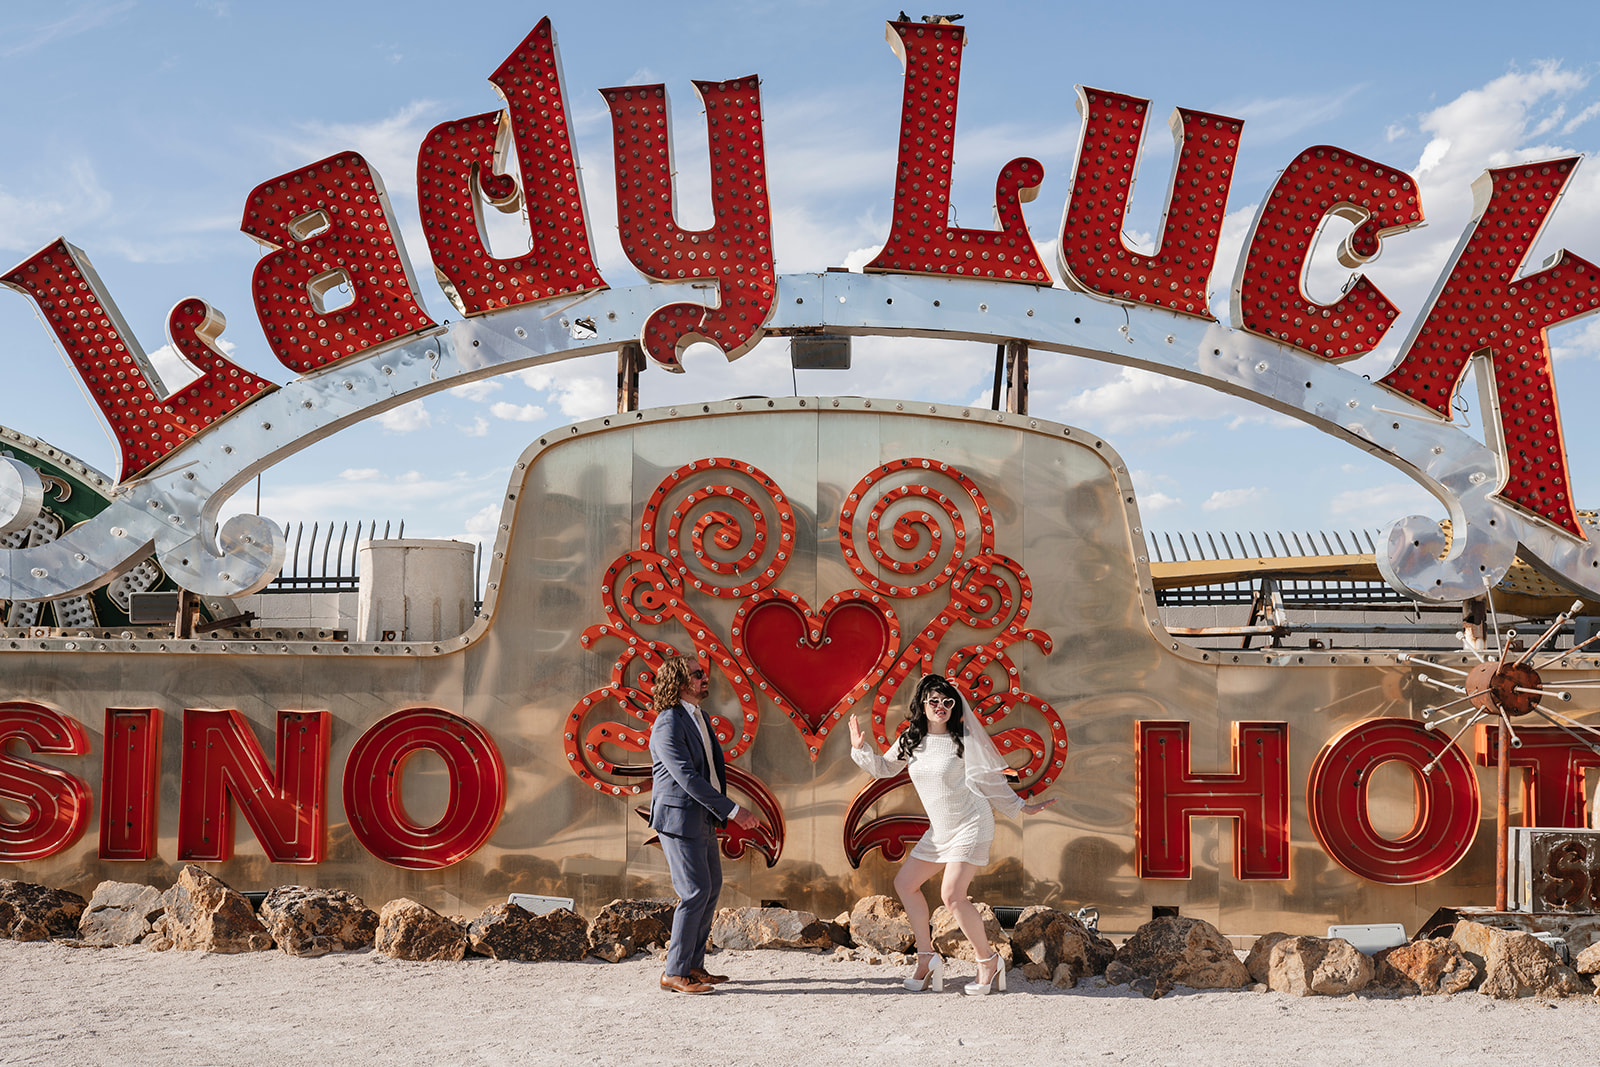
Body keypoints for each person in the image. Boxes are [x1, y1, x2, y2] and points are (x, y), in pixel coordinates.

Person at [849, 674, 1056, 995]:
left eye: (948, 702)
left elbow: (991, 783)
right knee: (905, 883)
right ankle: (927, 958)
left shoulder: (964, 741)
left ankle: (987, 961)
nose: (942, 707)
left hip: (972, 824)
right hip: (940, 829)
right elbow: (885, 769)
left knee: (952, 896)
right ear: (922, 704)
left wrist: (1020, 807)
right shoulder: (910, 739)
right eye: (935, 701)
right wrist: (860, 750)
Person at [648, 654, 760, 994]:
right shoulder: (669, 721)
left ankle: (693, 966)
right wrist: (732, 811)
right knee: (694, 891)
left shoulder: (698, 716)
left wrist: (719, 811)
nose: (704, 679)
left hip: (701, 816)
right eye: (698, 674)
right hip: (679, 817)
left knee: (710, 889)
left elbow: (708, 772)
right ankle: (674, 971)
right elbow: (687, 777)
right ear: (681, 682)